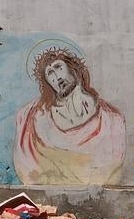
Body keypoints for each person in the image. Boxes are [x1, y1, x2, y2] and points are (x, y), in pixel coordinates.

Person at [14, 47, 126, 185]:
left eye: (58, 67)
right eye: (50, 73)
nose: (57, 77)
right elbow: (30, 172)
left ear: (72, 68)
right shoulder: (34, 117)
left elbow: (111, 170)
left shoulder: (111, 119)